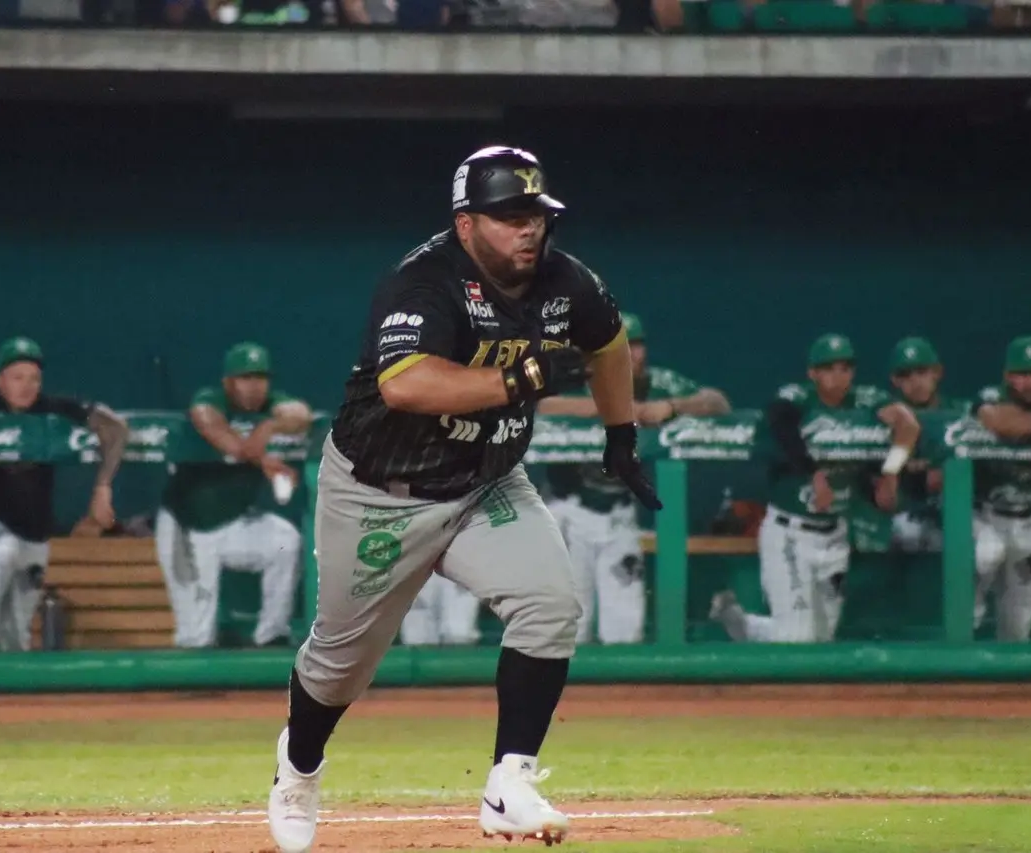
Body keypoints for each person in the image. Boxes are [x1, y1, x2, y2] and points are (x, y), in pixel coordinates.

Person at [265, 145, 661, 853]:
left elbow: (608, 342)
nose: (529, 229)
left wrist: (620, 434)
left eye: (536, 214)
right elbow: (406, 385)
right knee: (340, 664)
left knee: (550, 604)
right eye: (510, 215)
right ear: (467, 223)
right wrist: (524, 379)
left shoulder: (566, 281)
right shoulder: (425, 282)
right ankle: (298, 767)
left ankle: (510, 781)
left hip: (484, 483)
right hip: (379, 492)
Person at [710, 334, 920, 643]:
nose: (838, 376)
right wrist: (812, 472)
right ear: (813, 373)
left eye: (845, 367)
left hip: (834, 535)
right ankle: (737, 621)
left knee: (821, 639)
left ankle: (742, 624)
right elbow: (778, 420)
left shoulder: (866, 401)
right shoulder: (797, 398)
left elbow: (908, 425)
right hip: (790, 534)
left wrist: (890, 471)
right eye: (829, 368)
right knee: (797, 639)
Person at [0, 337, 129, 651]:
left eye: (34, 378)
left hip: (36, 535)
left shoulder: (53, 409)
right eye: (17, 377)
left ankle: (10, 696)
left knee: (17, 636)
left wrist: (103, 487)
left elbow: (115, 429)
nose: (27, 385)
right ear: (0, 380)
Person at [539, 312, 730, 644]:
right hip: (570, 514)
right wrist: (614, 407)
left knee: (625, 630)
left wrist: (671, 406)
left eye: (635, 346)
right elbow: (542, 405)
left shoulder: (659, 384)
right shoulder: (576, 376)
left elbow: (719, 403)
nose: (629, 355)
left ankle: (621, 698)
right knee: (567, 627)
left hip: (619, 517)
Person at [155, 342, 313, 649]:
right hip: (186, 528)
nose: (255, 386)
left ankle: (272, 633)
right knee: (196, 637)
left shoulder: (271, 405)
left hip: (232, 520)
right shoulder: (209, 400)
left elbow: (301, 414)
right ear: (228, 382)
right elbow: (229, 442)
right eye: (245, 378)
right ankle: (187, 691)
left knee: (285, 542)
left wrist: (269, 424)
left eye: (261, 378)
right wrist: (263, 458)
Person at [970, 335, 1031, 641]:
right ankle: (971, 613)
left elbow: (1016, 424)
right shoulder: (990, 395)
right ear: (1007, 376)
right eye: (1021, 374)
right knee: (987, 554)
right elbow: (997, 421)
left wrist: (1026, 424)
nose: (1029, 382)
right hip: (986, 516)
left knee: (1018, 626)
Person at [884, 336, 969, 554]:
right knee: (906, 532)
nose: (915, 381)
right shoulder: (885, 416)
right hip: (904, 514)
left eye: (921, 372)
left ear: (937, 372)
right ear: (895, 380)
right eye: (905, 375)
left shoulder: (962, 414)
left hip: (954, 511)